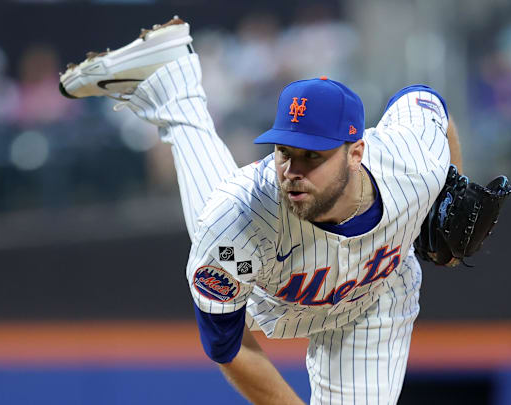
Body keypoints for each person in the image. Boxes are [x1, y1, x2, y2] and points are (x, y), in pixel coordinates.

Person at [60, 17, 462, 405]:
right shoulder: (238, 219)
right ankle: (174, 89)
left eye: (312, 156)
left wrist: (448, 199)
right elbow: (227, 347)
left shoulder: (409, 163)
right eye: (284, 152)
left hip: (376, 298)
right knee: (222, 225)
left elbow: (428, 106)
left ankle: (174, 82)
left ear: (356, 152)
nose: (293, 171)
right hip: (268, 291)